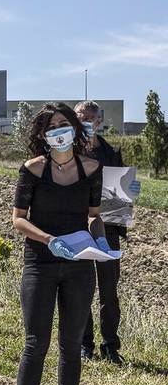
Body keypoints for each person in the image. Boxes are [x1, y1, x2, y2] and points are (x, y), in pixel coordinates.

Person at [13, 102, 112, 385]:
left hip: (79, 267)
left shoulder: (92, 168)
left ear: (74, 126)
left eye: (62, 125)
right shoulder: (32, 169)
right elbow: (18, 219)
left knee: (71, 344)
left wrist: (101, 239)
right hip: (40, 263)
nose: (58, 132)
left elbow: (93, 215)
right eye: (51, 127)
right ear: (43, 135)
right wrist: (48, 240)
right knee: (35, 343)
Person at [75, 100, 140, 364]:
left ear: (99, 121)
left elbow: (121, 191)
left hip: (109, 228)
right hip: (77, 228)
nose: (86, 121)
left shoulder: (112, 152)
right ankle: (84, 345)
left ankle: (111, 347)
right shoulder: (68, 152)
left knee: (109, 291)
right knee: (81, 288)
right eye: (81, 116)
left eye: (90, 117)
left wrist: (130, 191)